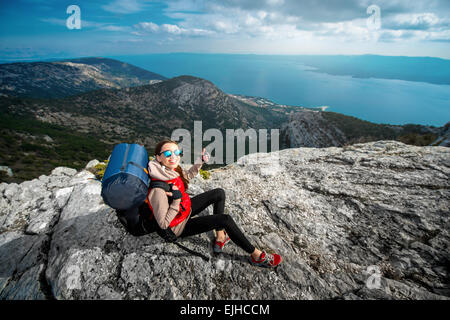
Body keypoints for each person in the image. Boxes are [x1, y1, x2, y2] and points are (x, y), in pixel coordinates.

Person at [146, 139, 282, 268]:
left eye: (177, 152)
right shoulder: (158, 189)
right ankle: (257, 256)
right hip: (177, 227)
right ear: (158, 157)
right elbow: (163, 224)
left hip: (184, 210)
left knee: (219, 193)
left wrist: (200, 162)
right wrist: (176, 200)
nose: (174, 156)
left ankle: (220, 236)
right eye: (168, 153)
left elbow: (185, 177)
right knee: (225, 220)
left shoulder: (169, 170)